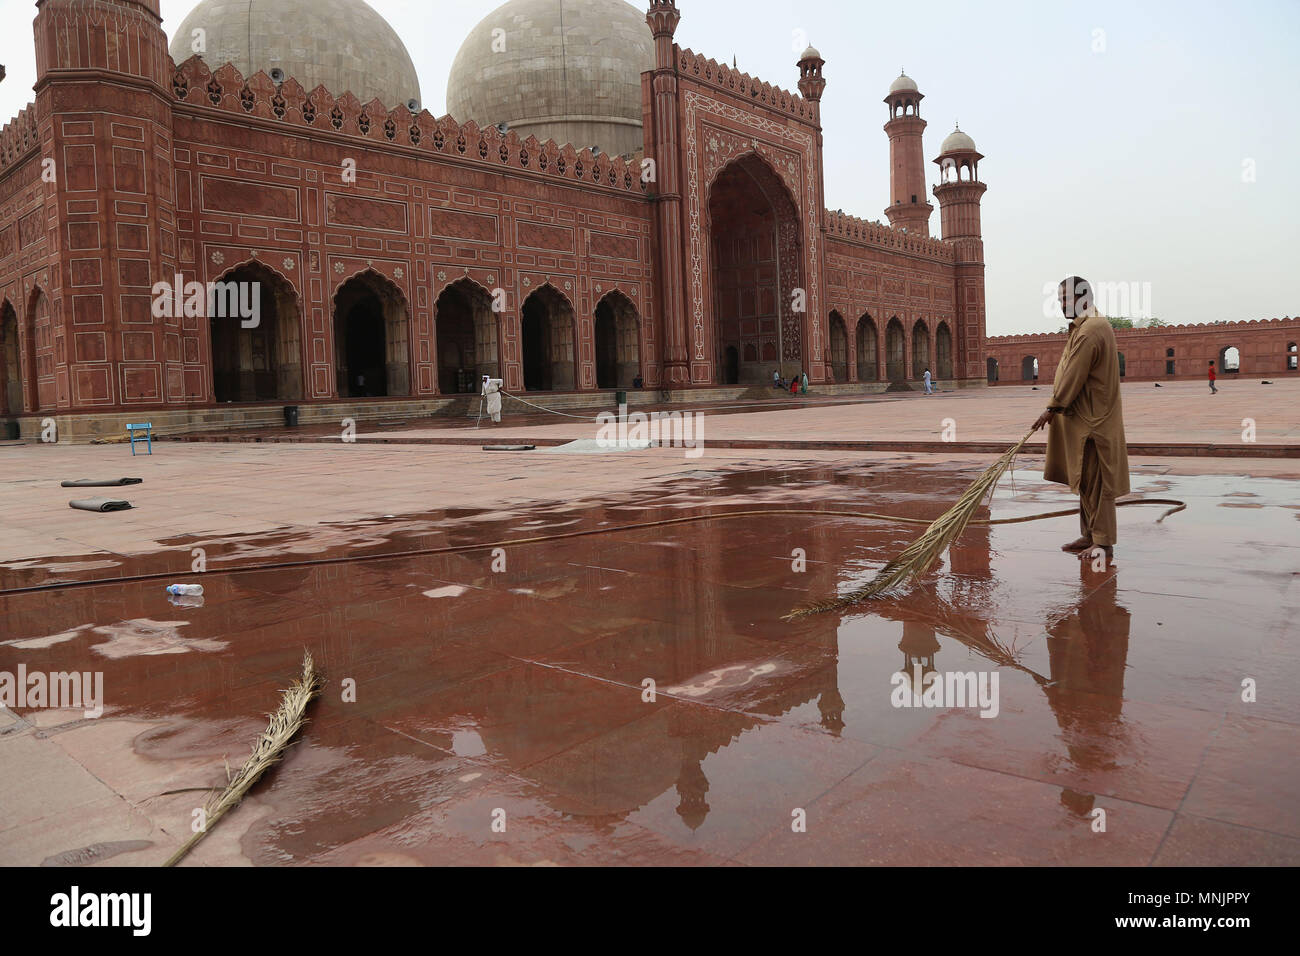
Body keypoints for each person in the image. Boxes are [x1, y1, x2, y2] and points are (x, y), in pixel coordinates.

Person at [1032, 276, 1130, 564]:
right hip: (1087, 421)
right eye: (1060, 299)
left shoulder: (1090, 330)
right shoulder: (1085, 326)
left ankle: (1103, 543)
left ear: (1083, 298)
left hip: (1094, 423)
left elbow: (1074, 375)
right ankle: (1089, 535)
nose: (1062, 305)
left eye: (1066, 299)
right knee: (1087, 482)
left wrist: (1051, 408)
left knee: (1099, 485)